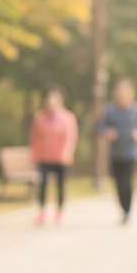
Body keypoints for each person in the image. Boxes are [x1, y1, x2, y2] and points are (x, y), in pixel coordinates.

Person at [99, 79, 137, 224]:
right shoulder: (110, 110)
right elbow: (101, 126)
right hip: (116, 153)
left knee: (127, 182)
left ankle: (128, 210)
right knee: (118, 183)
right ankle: (123, 208)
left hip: (131, 152)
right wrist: (107, 132)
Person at [29, 88, 79, 225]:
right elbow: (35, 137)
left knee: (60, 185)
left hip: (61, 158)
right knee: (43, 184)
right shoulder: (40, 118)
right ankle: (42, 211)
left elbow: (70, 137)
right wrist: (35, 155)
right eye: (48, 101)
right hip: (44, 157)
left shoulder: (67, 118)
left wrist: (68, 152)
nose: (50, 104)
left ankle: (60, 211)